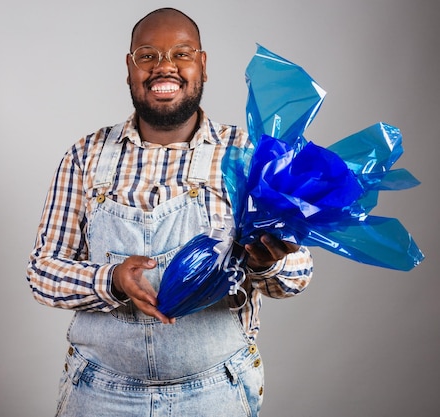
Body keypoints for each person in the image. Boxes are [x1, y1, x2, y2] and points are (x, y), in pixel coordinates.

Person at [27, 7, 313, 416]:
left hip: (216, 393)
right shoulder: (85, 155)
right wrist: (111, 279)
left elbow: (298, 275)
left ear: (203, 64)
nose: (165, 67)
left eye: (182, 53)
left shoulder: (247, 155)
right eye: (148, 55)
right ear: (129, 67)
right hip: (99, 393)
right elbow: (42, 273)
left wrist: (266, 264)